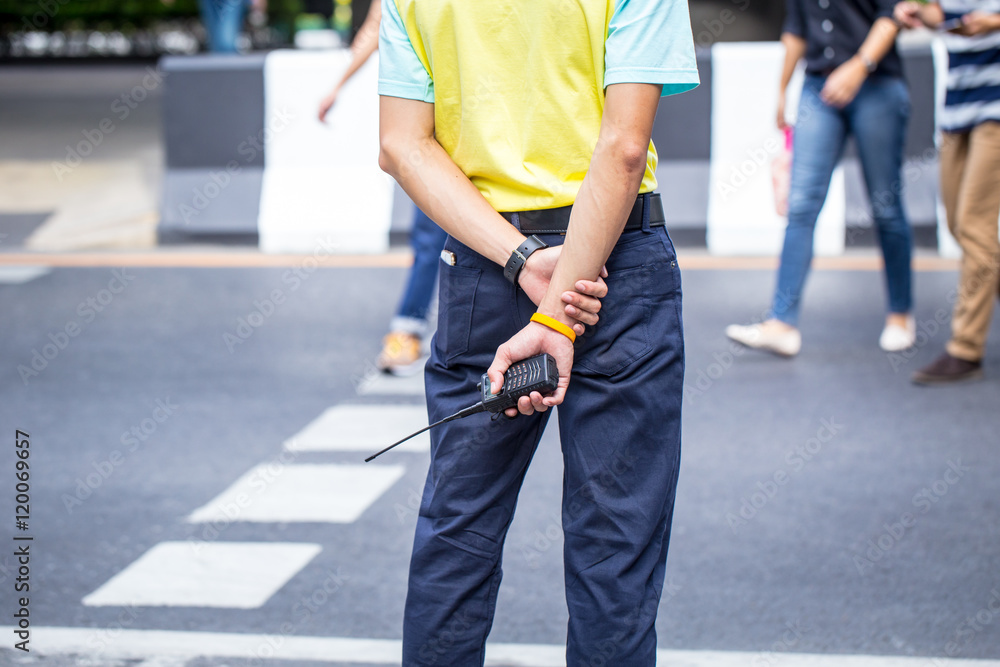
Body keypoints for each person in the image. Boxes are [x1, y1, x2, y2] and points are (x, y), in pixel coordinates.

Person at [377, 0, 698, 663]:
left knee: (459, 525)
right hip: (614, 265)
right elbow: (623, 145)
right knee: (616, 539)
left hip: (486, 261)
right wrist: (557, 310)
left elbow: (402, 144)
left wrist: (523, 261)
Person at [726, 0, 916, 357]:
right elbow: (797, 30)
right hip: (818, 87)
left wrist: (858, 68)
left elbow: (890, 16)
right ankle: (782, 324)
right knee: (801, 206)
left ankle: (900, 315)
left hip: (876, 83)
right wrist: (782, 89)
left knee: (885, 207)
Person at [318, 0, 447, 375]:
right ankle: (408, 327)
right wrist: (338, 84)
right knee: (430, 235)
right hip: (433, 128)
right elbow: (377, 25)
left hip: (485, 124)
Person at [894, 1, 1000, 384]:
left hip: (996, 104)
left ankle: (966, 348)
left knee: (975, 227)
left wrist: (992, 22)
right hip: (957, 103)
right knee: (959, 225)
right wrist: (919, 14)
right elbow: (940, 12)